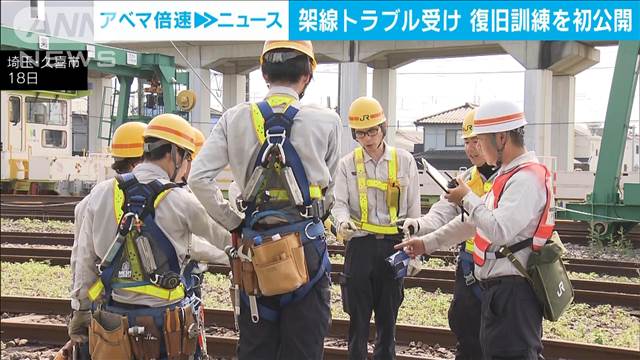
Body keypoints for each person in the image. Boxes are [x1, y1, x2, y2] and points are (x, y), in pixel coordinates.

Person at [188, 40, 342, 359]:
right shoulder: (327, 121)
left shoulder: (234, 118)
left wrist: (235, 222)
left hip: (254, 254)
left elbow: (198, 178)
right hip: (306, 254)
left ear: (263, 73)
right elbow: (328, 194)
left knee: (256, 348)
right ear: (308, 76)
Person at [396, 100, 554, 360]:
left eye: (480, 140)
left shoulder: (526, 179)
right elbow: (471, 223)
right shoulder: (507, 176)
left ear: (501, 138)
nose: (476, 148)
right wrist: (425, 244)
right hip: (498, 292)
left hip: (514, 293)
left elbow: (499, 229)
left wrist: (467, 198)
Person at [68, 113, 231, 359]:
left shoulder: (99, 194)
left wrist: (80, 308)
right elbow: (225, 239)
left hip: (114, 320)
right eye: (188, 157)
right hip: (166, 325)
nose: (187, 168)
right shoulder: (180, 199)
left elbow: (85, 261)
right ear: (175, 154)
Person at [400, 109, 499, 360]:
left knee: (502, 342)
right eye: (466, 142)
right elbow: (442, 213)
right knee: (467, 336)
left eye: (476, 141)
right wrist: (419, 226)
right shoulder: (466, 178)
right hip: (469, 268)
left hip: (501, 271)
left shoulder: (508, 179)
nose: (471, 148)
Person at [332, 96, 420, 359]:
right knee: (357, 321)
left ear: (383, 128)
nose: (367, 138)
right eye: (361, 133)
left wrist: (415, 251)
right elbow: (339, 203)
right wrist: (342, 223)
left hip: (393, 245)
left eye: (372, 131)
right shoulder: (347, 164)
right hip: (360, 246)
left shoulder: (404, 160)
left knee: (388, 319)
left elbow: (414, 209)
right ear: (354, 134)